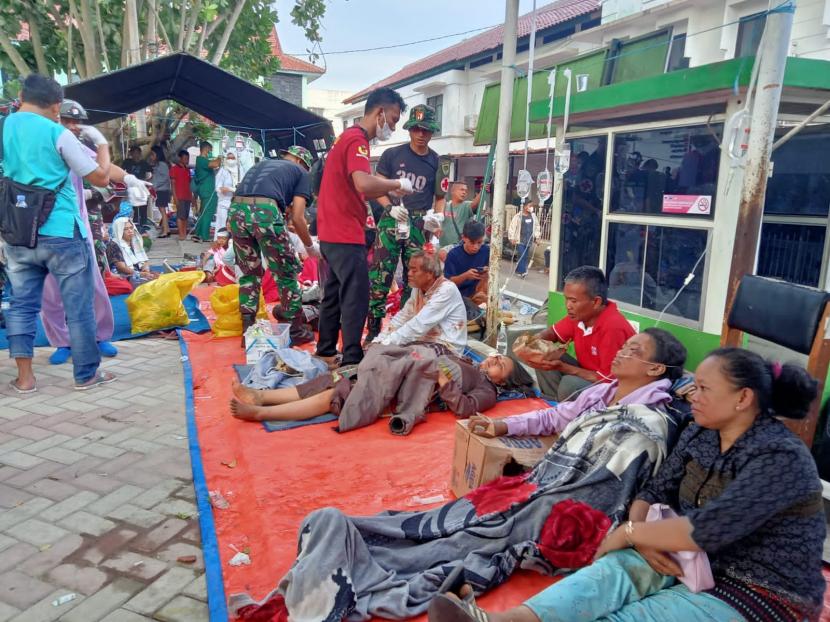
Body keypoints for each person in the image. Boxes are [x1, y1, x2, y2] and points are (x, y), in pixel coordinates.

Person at [229, 329, 687, 621]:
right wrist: (504, 425)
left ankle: (347, 560)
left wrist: (458, 392)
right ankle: (272, 406)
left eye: (634, 349)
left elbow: (609, 483)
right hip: (538, 481)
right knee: (453, 512)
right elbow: (555, 417)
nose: (623, 349)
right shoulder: (603, 391)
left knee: (477, 531)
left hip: (560, 496)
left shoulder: (649, 421)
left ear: (654, 370)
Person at [432, 348, 825, 622]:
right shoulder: (700, 432)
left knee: (631, 615)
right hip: (688, 559)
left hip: (757, 591)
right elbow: (655, 491)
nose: (691, 395)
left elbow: (708, 529)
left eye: (703, 388)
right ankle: (507, 621)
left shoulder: (779, 456)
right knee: (609, 574)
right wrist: (638, 536)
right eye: (693, 385)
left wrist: (631, 533)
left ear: (743, 398)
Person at [1, 74, 116, 392]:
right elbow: (100, 178)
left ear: (22, 94)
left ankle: (25, 379)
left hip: (18, 232)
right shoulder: (59, 134)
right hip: (63, 232)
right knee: (78, 308)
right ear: (55, 105)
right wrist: (102, 146)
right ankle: (86, 375)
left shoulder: (6, 125)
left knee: (21, 305)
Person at [41, 98, 147, 365]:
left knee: (94, 283)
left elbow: (104, 170)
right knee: (51, 289)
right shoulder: (43, 146)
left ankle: (101, 336)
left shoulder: (75, 146)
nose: (74, 126)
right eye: (68, 120)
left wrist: (129, 179)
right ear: (55, 119)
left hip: (78, 224)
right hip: (45, 226)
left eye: (78, 121)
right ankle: (62, 341)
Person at [314, 87, 414, 368]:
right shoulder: (357, 139)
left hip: (332, 231)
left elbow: (358, 188)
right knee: (356, 296)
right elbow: (363, 183)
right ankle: (352, 359)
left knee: (333, 294)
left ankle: (325, 351)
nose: (393, 127)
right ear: (380, 113)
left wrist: (387, 199)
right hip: (345, 232)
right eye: (393, 120)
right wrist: (396, 185)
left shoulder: (344, 139)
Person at [230, 351, 531, 429]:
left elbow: (464, 408)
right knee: (335, 377)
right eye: (495, 356)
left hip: (411, 389)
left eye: (499, 365)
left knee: (338, 394)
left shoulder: (487, 391)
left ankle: (260, 412)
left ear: (502, 381)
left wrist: (444, 382)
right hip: (405, 369)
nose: (491, 360)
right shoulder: (469, 362)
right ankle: (263, 395)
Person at [365, 104, 447, 344]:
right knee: (381, 276)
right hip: (393, 217)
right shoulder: (393, 155)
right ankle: (373, 330)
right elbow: (376, 185)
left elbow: (440, 197)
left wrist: (437, 218)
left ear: (432, 133)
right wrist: (389, 207)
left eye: (426, 131)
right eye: (417, 129)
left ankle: (405, 330)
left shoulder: (436, 161)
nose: (421, 135)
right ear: (410, 129)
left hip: (420, 222)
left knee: (416, 278)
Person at [228, 145, 320, 345]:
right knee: (286, 273)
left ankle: (248, 331)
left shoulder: (263, 165)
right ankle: (295, 330)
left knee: (249, 273)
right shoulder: (301, 172)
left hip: (235, 211)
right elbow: (297, 216)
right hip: (265, 212)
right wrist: (310, 246)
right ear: (301, 162)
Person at [513, 266, 635, 401]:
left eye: (573, 301)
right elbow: (552, 333)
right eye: (567, 299)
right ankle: (552, 404)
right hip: (590, 374)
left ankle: (567, 416)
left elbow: (608, 380)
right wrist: (531, 342)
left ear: (596, 302)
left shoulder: (613, 327)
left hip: (616, 389)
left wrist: (564, 367)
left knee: (570, 383)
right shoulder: (580, 317)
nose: (568, 305)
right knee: (543, 356)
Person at [373, 250, 468, 355]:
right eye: (409, 269)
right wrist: (379, 340)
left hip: (446, 347)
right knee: (389, 354)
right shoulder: (418, 288)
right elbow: (403, 316)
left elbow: (418, 325)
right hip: (425, 342)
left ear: (429, 274)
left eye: (414, 271)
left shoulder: (446, 290)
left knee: (398, 359)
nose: (409, 273)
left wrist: (385, 344)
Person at [444, 220, 490, 305]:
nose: (476, 247)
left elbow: (493, 273)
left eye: (479, 242)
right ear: (464, 238)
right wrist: (465, 276)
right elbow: (448, 282)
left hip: (477, 293)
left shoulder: (486, 251)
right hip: (457, 296)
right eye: (472, 242)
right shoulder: (453, 255)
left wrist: (487, 273)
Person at [106, 217, 158, 282]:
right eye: (126, 229)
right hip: (123, 274)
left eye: (131, 228)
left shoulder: (135, 241)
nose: (130, 231)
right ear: (119, 230)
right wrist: (140, 274)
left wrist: (145, 268)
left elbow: (144, 259)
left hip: (137, 272)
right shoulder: (113, 244)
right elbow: (122, 268)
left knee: (157, 277)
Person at [438, 180, 485, 250]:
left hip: (458, 247)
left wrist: (482, 191)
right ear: (453, 191)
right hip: (442, 246)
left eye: (466, 191)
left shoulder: (466, 205)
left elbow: (474, 204)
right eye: (461, 190)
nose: (464, 192)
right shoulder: (445, 205)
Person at [192, 141, 221, 241]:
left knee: (203, 212)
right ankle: (204, 236)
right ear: (206, 149)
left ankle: (198, 233)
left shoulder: (201, 161)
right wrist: (220, 157)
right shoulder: (201, 160)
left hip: (205, 190)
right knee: (208, 213)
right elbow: (216, 164)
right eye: (210, 150)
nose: (210, 152)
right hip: (208, 190)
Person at [508, 201, 541, 277]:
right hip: (520, 240)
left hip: (529, 240)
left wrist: (537, 237)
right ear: (525, 206)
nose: (532, 207)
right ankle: (523, 272)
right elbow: (512, 227)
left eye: (532, 206)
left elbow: (536, 227)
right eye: (530, 206)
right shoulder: (518, 216)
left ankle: (518, 270)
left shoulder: (533, 216)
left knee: (525, 256)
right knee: (522, 255)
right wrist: (512, 238)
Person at [169, 149, 193, 240]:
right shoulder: (174, 169)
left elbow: (189, 183)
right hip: (179, 195)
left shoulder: (187, 170)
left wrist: (192, 197)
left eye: (188, 158)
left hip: (187, 196)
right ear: (180, 158)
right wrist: (175, 197)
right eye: (185, 158)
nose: (187, 160)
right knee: (180, 216)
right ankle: (181, 234)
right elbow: (173, 184)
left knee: (186, 216)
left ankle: (184, 233)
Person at [214, 150, 239, 237]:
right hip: (224, 201)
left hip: (237, 203)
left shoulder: (240, 171)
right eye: (228, 158)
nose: (230, 160)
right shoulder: (223, 171)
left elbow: (241, 187)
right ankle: (220, 245)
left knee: (235, 225)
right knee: (222, 224)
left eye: (233, 158)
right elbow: (218, 187)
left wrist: (229, 189)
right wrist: (223, 189)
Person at [148, 148, 171, 237]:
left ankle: (165, 231)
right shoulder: (158, 165)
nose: (151, 156)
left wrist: (155, 185)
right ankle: (167, 229)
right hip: (160, 190)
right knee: (162, 210)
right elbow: (156, 177)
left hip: (162, 190)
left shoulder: (162, 164)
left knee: (162, 210)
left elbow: (165, 177)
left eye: (153, 154)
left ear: (157, 155)